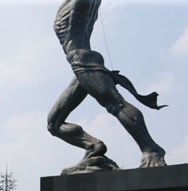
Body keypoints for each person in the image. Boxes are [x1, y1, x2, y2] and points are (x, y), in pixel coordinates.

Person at [49, 0, 166, 173]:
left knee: (116, 104)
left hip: (83, 62)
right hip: (79, 66)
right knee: (54, 123)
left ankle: (151, 149)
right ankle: (94, 147)